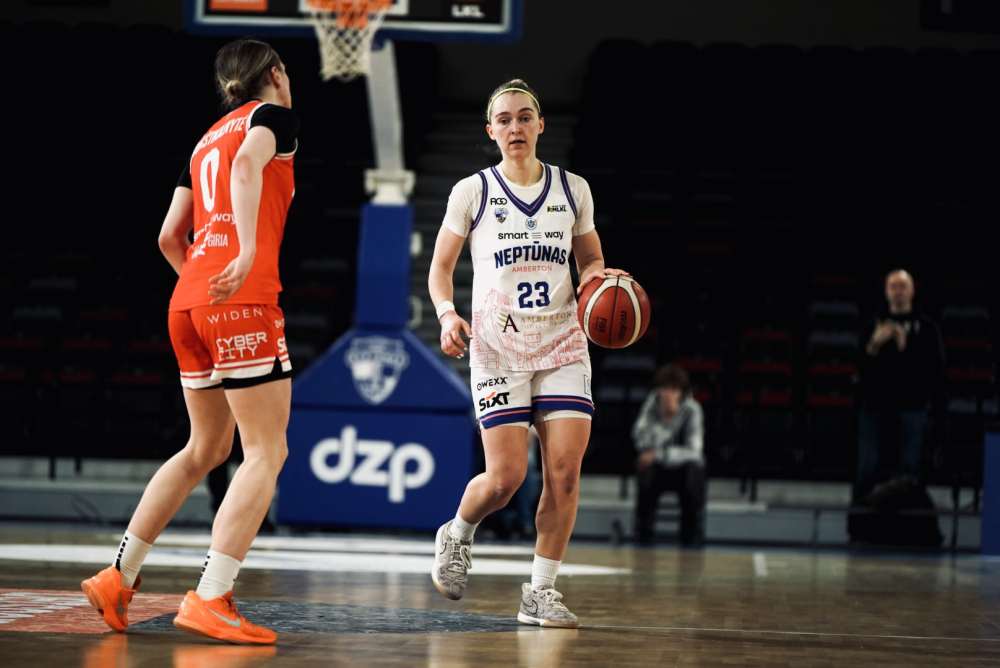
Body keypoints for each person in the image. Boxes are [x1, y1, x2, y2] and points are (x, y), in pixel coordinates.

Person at [81, 38, 299, 645]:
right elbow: (247, 166)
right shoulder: (272, 117)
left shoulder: (204, 139)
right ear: (275, 74)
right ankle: (211, 596)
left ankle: (118, 575)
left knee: (205, 447)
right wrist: (245, 255)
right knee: (265, 452)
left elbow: (167, 237)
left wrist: (204, 293)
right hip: (242, 297)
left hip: (188, 302)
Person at [428, 79, 627, 629]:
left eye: (524, 117)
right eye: (504, 119)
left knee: (564, 476)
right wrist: (446, 314)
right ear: (491, 131)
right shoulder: (472, 191)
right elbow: (440, 267)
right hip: (497, 347)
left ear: (541, 125)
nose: (514, 127)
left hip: (563, 342)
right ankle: (458, 533)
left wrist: (599, 280)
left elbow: (590, 259)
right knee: (505, 479)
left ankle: (540, 592)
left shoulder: (573, 189)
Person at [854, 269, 944, 501]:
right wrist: (874, 344)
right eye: (892, 286)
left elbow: (934, 369)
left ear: (912, 290)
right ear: (886, 292)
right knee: (867, 466)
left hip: (912, 406)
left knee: (909, 467)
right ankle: (859, 516)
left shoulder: (927, 328)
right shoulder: (873, 325)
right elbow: (861, 367)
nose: (898, 291)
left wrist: (906, 347)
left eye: (902, 286)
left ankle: (909, 517)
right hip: (875, 405)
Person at [631, 364, 706, 546]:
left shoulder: (692, 410)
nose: (668, 394)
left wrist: (660, 454)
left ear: (682, 392)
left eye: (673, 389)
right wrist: (666, 422)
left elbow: (694, 451)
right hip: (658, 471)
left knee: (693, 471)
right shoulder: (651, 407)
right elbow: (640, 439)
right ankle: (644, 534)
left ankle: (690, 535)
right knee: (645, 470)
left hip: (683, 471)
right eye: (664, 388)